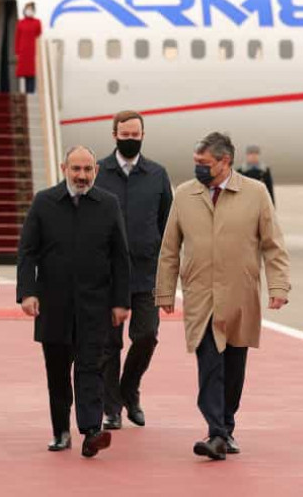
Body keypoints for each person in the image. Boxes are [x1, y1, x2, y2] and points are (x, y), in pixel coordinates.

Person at [155, 132, 291, 460]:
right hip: (200, 296)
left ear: (224, 162)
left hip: (240, 295)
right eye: (196, 162)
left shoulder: (255, 193)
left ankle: (225, 426)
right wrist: (164, 291)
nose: (198, 168)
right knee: (209, 364)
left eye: (204, 163)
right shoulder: (184, 194)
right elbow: (169, 248)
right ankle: (216, 432)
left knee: (233, 367)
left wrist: (278, 286)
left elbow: (273, 244)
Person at [17, 145, 130, 458]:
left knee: (90, 368)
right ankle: (61, 431)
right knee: (57, 373)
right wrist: (27, 292)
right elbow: (27, 251)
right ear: (64, 168)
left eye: (88, 169)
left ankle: (91, 431)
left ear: (96, 171)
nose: (82, 175)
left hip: (95, 306)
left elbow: (120, 257)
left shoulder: (108, 204)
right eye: (76, 169)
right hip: (53, 305)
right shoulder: (44, 202)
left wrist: (120, 301)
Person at [94, 111, 173, 430]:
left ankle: (129, 388)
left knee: (146, 335)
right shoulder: (98, 172)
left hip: (146, 273)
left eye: (135, 135)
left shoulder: (157, 174)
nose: (130, 140)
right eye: (125, 135)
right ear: (114, 135)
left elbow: (168, 224)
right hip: (107, 274)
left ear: (143, 135)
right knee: (108, 344)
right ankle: (111, 408)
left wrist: (167, 267)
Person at [15, 1, 43, 94]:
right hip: (23, 51)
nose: (29, 11)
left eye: (31, 9)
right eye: (27, 9)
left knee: (32, 74)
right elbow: (17, 38)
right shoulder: (20, 23)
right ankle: (25, 93)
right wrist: (17, 52)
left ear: (34, 11)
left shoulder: (37, 22)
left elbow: (38, 34)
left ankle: (30, 93)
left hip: (32, 51)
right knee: (24, 74)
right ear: (24, 10)